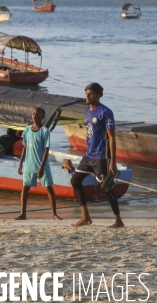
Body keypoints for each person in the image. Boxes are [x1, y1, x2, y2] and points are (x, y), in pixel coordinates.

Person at [63, 83, 124, 228]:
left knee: (106, 188)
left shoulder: (106, 112)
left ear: (98, 95)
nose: (87, 96)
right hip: (88, 156)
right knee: (75, 182)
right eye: (86, 93)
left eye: (90, 93)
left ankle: (118, 220)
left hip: (101, 157)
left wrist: (112, 162)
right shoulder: (87, 111)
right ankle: (86, 217)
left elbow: (112, 138)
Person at [15, 107, 62, 221]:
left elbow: (46, 150)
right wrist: (21, 163)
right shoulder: (27, 130)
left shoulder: (44, 131)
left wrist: (41, 168)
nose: (35, 115)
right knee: (25, 187)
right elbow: (25, 147)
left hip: (42, 165)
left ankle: (54, 214)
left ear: (43, 116)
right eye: (34, 113)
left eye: (38, 113)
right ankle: (23, 214)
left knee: (49, 187)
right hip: (29, 164)